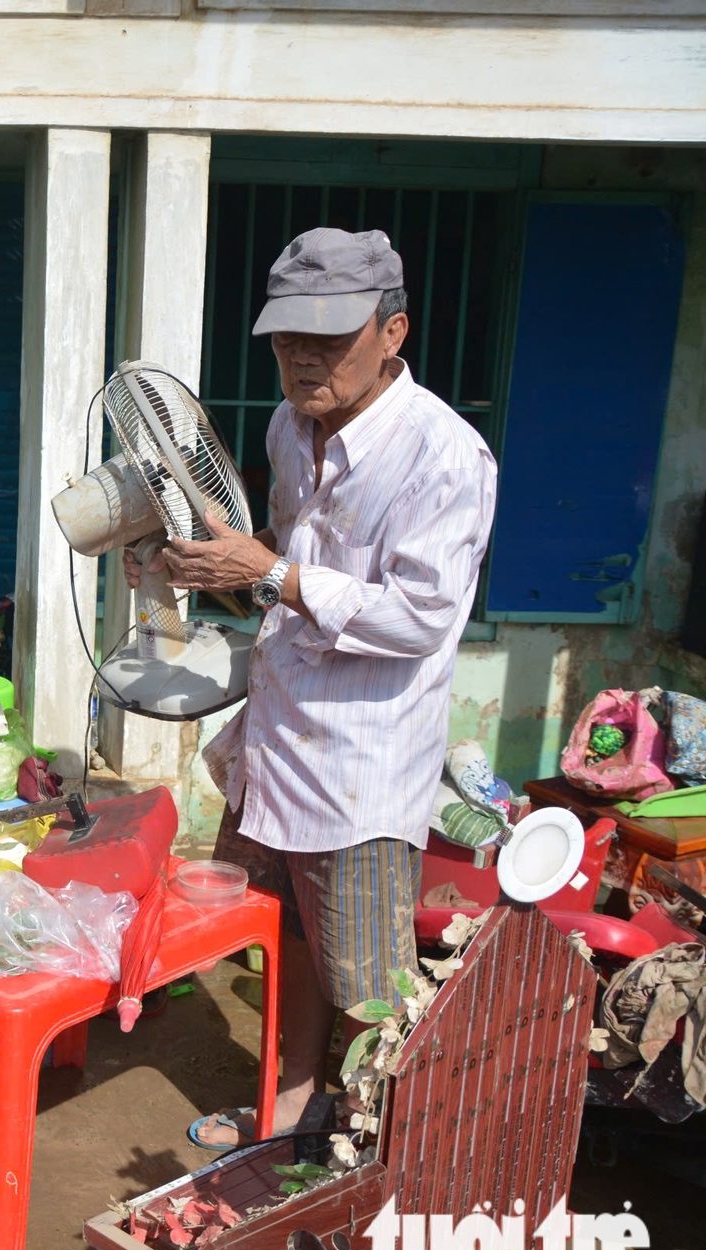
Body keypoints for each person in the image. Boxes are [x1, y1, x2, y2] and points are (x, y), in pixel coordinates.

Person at [126, 229, 499, 1149]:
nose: (302, 358)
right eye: (288, 337)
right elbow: (280, 560)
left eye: (329, 339)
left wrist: (269, 573)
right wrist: (200, 559)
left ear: (392, 332)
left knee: (368, 980)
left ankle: (376, 1143)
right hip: (278, 736)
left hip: (360, 765)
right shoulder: (287, 428)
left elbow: (419, 617)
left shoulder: (443, 456)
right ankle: (292, 1106)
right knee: (285, 937)